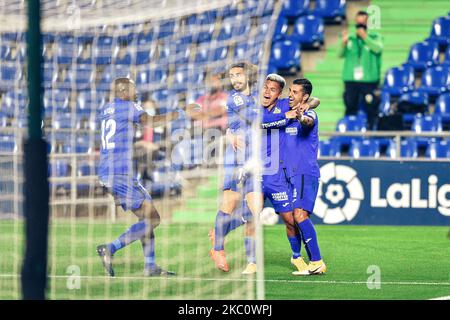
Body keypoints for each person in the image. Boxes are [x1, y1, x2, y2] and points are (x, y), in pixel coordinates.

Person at [96, 77, 178, 277]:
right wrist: (179, 113)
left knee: (146, 217)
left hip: (108, 171)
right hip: (121, 172)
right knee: (153, 219)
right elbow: (150, 122)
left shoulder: (106, 109)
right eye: (133, 89)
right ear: (123, 91)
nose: (137, 92)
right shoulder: (128, 106)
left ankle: (150, 266)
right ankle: (111, 248)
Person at [258, 75, 321, 274]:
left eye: (295, 92)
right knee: (295, 218)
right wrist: (295, 112)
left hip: (304, 171)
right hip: (289, 175)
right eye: (290, 91)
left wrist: (301, 114)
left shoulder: (307, 115)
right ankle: (310, 262)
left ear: (305, 96)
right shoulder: (287, 113)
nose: (290, 95)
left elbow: (308, 121)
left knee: (300, 216)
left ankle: (317, 261)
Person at [208, 62, 257, 273]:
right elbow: (255, 117)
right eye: (231, 76)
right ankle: (218, 248)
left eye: (238, 75)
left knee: (254, 207)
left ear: (248, 76)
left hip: (253, 156)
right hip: (235, 155)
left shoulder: (255, 98)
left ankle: (221, 230)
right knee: (231, 200)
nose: (235, 79)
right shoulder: (235, 97)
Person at [339, 10, 383, 130]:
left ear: (368, 23)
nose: (360, 27)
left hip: (369, 80)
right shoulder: (351, 38)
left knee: (371, 106)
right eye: (358, 24)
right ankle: (349, 129)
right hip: (351, 79)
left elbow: (378, 48)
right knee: (350, 105)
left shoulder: (375, 37)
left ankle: (371, 130)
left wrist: (365, 37)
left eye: (363, 24)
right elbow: (340, 54)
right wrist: (343, 43)